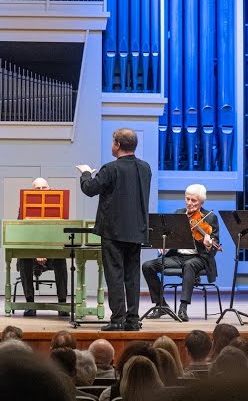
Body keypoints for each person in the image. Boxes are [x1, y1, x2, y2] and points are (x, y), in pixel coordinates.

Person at [77, 128, 151, 332]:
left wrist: (85, 173)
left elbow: (90, 189)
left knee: (115, 275)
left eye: (113, 142)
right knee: (132, 276)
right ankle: (132, 320)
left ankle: (118, 319)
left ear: (117, 145)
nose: (112, 145)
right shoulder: (145, 168)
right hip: (137, 230)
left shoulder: (110, 168)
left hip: (114, 231)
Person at [141, 183, 220, 322]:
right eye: (187, 199)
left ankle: (183, 309)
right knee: (147, 266)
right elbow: (169, 236)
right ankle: (161, 305)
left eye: (193, 200)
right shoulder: (178, 214)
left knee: (189, 265)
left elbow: (213, 248)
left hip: (199, 258)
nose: (189, 203)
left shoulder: (209, 218)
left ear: (201, 201)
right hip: (177, 257)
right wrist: (164, 245)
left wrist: (208, 245)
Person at [16, 177, 71, 317]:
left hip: (53, 253)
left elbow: (60, 234)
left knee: (61, 258)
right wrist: (37, 252)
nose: (41, 191)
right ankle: (30, 303)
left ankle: (62, 303)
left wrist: (46, 252)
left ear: (50, 189)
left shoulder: (59, 205)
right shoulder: (24, 207)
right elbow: (22, 234)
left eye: (44, 188)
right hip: (31, 253)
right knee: (24, 258)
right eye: (37, 189)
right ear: (31, 191)